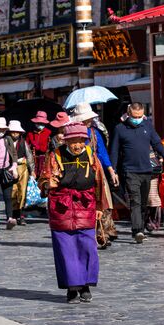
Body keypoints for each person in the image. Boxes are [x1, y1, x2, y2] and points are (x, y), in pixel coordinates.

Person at [38, 121, 111, 304]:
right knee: (66, 250)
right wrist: (48, 184)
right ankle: (72, 288)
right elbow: (43, 180)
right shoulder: (55, 156)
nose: (77, 145)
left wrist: (100, 207)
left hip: (85, 206)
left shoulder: (91, 155)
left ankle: (85, 285)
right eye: (73, 141)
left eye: (81, 141)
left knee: (87, 248)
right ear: (66, 141)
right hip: (61, 209)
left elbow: (99, 182)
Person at [110, 102, 164, 243]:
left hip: (146, 170)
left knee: (143, 202)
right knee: (135, 200)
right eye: (134, 116)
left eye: (140, 116)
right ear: (128, 114)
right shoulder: (120, 129)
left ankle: (140, 228)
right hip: (130, 170)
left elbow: (156, 142)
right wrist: (113, 170)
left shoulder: (147, 126)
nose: (137, 118)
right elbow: (114, 151)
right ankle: (137, 230)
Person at [72, 103, 118, 248]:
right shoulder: (71, 133)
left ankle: (101, 233)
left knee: (102, 202)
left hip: (95, 170)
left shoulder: (94, 132)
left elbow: (102, 153)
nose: (89, 121)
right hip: (77, 171)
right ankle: (85, 233)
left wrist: (111, 170)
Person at [0, 117, 18, 230]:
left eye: (3, 129)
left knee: (7, 196)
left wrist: (14, 166)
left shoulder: (8, 139)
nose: (1, 132)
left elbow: (14, 154)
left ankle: (9, 218)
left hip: (6, 170)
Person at [8, 119, 35, 225]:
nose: (15, 134)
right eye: (13, 131)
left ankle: (21, 215)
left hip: (22, 168)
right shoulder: (6, 141)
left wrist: (32, 170)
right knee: (13, 192)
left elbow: (29, 157)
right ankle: (14, 214)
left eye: (17, 132)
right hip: (10, 169)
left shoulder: (23, 142)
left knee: (22, 191)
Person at [26, 111, 52, 177]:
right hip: (32, 159)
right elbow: (26, 145)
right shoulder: (30, 133)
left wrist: (38, 147)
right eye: (38, 123)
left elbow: (47, 148)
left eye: (42, 123)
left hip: (43, 159)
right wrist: (30, 146)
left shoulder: (48, 133)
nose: (40, 124)